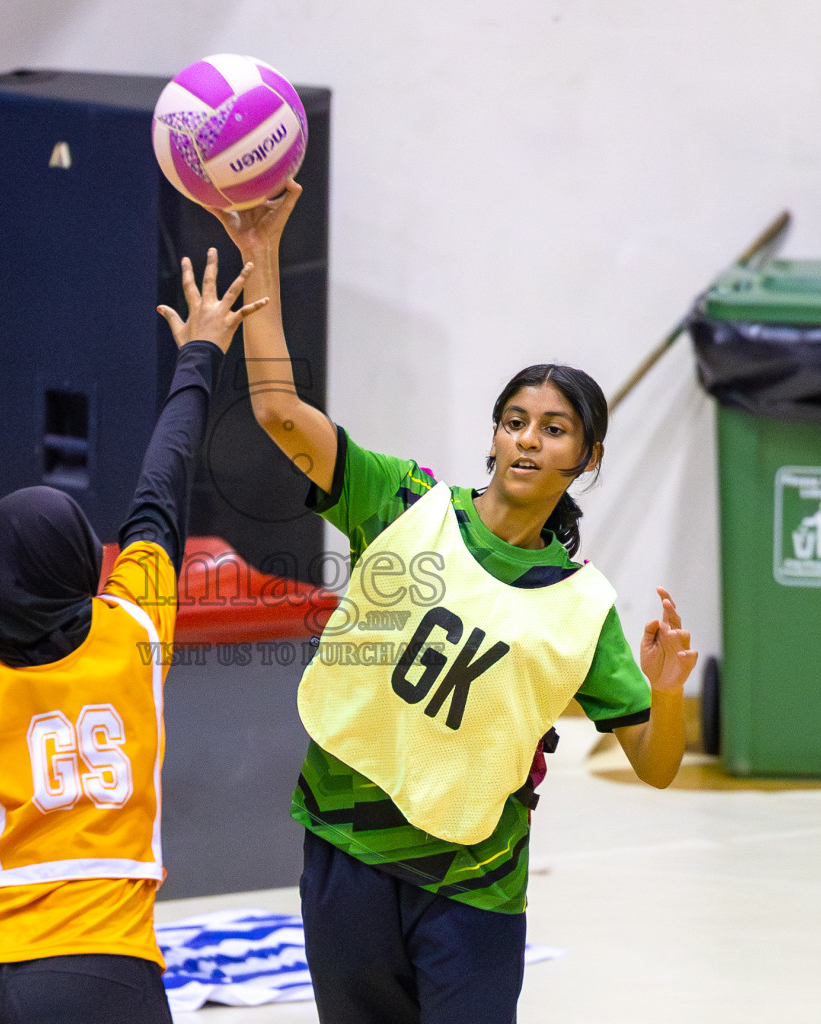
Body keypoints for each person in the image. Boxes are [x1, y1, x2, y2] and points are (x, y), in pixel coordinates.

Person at [212, 181, 697, 1024]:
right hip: (346, 841)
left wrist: (666, 691)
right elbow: (279, 411)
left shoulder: (580, 606)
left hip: (472, 884)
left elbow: (656, 766)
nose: (527, 439)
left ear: (586, 459)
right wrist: (261, 257)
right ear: (493, 434)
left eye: (552, 429)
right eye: (515, 420)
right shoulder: (406, 501)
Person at [0, 228, 263, 1024]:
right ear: (88, 568)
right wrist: (198, 356)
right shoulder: (133, 631)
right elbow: (161, 489)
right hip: (101, 975)